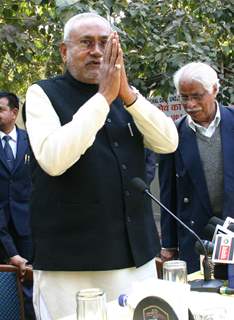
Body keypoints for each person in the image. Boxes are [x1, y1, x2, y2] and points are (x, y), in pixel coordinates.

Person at [25, 12, 178, 319]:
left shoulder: (127, 96)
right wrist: (103, 98)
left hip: (136, 259)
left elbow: (168, 142)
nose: (97, 51)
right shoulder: (42, 93)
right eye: (87, 43)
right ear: (65, 51)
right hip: (70, 266)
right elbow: (53, 160)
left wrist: (128, 96)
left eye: (105, 43)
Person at [159, 62, 234, 274]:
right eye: (184, 97)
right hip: (196, 237)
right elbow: (167, 193)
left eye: (197, 96)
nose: (190, 104)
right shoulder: (173, 134)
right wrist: (169, 244)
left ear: (214, 90)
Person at [0, 91, 35, 319]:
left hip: (28, 230)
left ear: (14, 113)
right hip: (1, 230)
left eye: (0, 109)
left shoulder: (30, 141)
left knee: (30, 289)